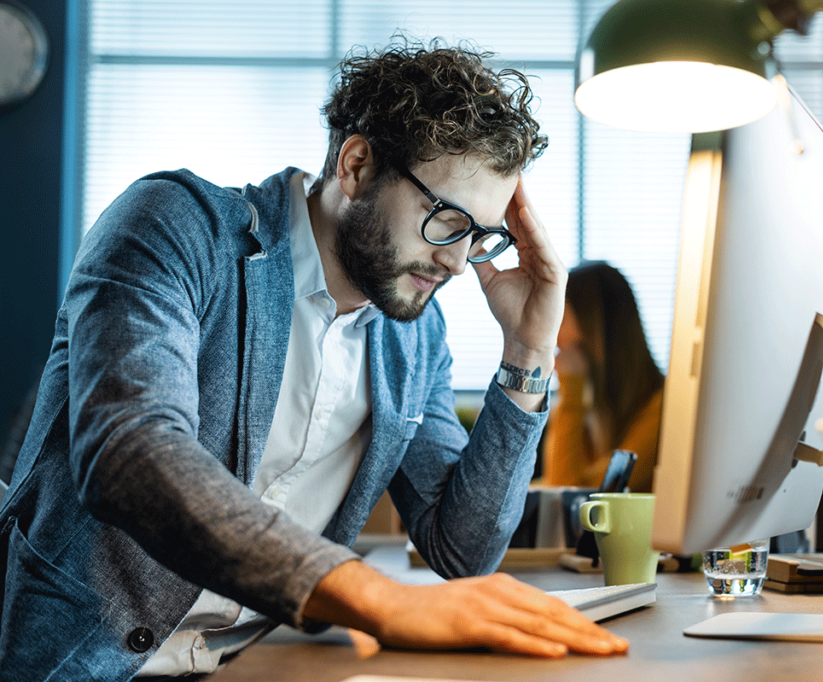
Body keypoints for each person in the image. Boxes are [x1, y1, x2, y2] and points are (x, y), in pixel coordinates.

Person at [0, 40, 628, 681]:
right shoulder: (175, 226)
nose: (459, 263)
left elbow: (460, 550)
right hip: (73, 663)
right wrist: (380, 601)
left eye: (480, 236)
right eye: (445, 220)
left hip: (258, 667)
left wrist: (528, 349)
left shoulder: (414, 336)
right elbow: (132, 453)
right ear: (355, 166)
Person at [542, 262, 664, 493]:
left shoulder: (662, 409)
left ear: (595, 326)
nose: (555, 339)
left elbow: (572, 496)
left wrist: (571, 395)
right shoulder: (592, 408)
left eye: (560, 319)